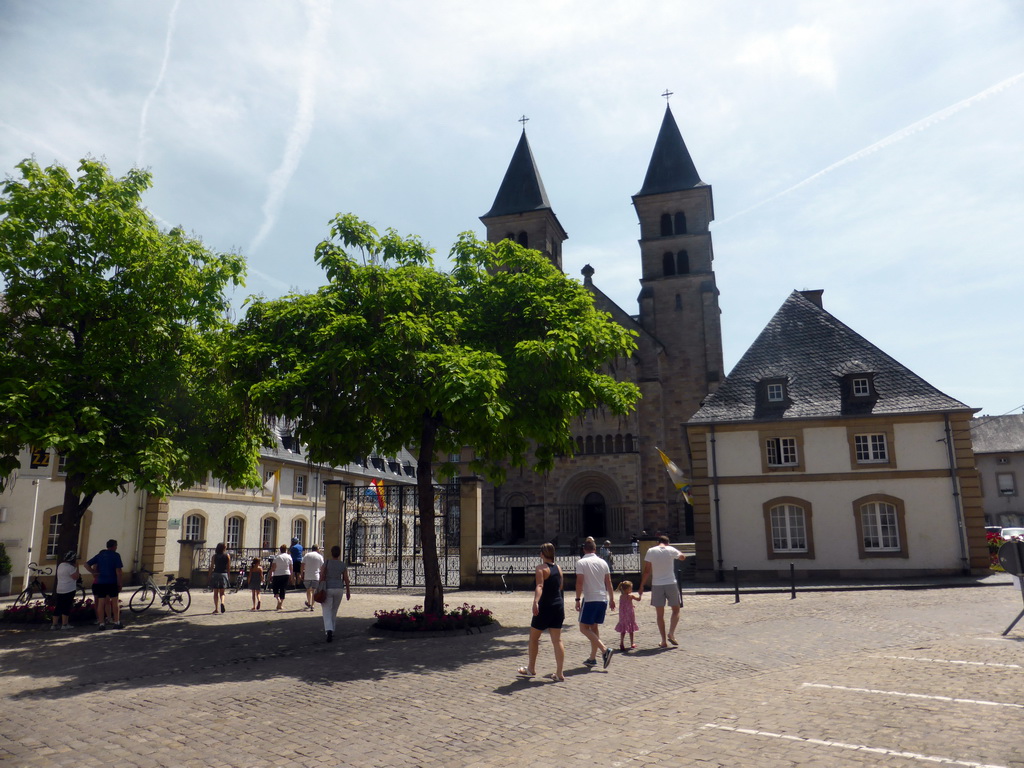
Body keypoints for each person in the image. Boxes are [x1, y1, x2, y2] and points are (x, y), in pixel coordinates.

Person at [516, 543, 566, 682]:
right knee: (557, 640)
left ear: (543, 554)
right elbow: (560, 587)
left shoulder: (541, 568)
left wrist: (535, 602)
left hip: (545, 606)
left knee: (534, 638)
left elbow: (539, 586)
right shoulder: (559, 568)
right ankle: (559, 673)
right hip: (558, 605)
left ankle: (531, 669)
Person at [638, 535, 686, 648]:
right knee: (676, 609)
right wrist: (680, 555)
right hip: (671, 582)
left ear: (658, 542)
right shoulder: (671, 549)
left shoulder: (651, 550)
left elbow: (647, 570)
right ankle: (671, 633)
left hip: (657, 584)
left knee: (660, 615)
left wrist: (642, 585)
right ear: (667, 543)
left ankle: (663, 640)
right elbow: (682, 557)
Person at [575, 538, 616, 669]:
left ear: (583, 550)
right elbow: (609, 582)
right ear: (595, 549)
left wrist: (577, 599)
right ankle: (592, 658)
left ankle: (604, 650)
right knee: (594, 628)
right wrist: (612, 599)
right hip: (602, 599)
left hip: (590, 599)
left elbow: (579, 583)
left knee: (583, 628)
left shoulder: (581, 562)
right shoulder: (603, 562)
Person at [87, 539, 123, 630]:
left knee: (101, 603)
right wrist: (120, 582)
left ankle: (101, 623)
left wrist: (93, 572)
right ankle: (116, 621)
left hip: (100, 582)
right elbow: (118, 571)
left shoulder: (100, 555)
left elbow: (86, 564)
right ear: (114, 546)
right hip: (112, 581)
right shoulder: (116, 555)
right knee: (114, 602)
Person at [318, 545, 350, 642]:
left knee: (326, 609)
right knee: (334, 610)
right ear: (339, 554)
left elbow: (321, 575)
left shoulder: (326, 563)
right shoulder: (342, 564)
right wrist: (348, 591)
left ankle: (329, 630)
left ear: (331, 553)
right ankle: (332, 628)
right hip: (339, 589)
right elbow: (346, 579)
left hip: (328, 587)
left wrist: (320, 586)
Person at [50, 550, 81, 630]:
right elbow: (76, 577)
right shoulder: (70, 568)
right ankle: (64, 624)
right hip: (69, 589)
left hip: (60, 588)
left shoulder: (60, 565)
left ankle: (54, 624)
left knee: (59, 606)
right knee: (66, 606)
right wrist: (77, 567)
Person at [614, 580, 641, 650]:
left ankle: (621, 643)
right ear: (627, 589)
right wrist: (640, 594)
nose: (631, 589)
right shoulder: (630, 596)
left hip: (622, 615)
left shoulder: (621, 596)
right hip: (629, 615)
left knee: (623, 630)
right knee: (631, 629)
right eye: (630, 588)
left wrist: (631, 605)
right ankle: (632, 643)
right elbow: (638, 599)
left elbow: (624, 604)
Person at [301, 544, 325, 611]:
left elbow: (302, 565)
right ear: (317, 549)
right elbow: (322, 567)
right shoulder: (320, 556)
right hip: (316, 575)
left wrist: (301, 573)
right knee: (314, 591)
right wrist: (322, 575)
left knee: (308, 590)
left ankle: (309, 603)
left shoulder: (307, 555)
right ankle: (313, 604)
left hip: (307, 575)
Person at [208, 542, 230, 614]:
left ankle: (216, 608)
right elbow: (228, 567)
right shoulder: (227, 556)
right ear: (223, 548)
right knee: (222, 592)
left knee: (215, 593)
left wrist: (209, 574)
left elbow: (211, 567)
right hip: (224, 574)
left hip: (216, 574)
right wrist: (228, 575)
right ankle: (222, 602)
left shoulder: (214, 556)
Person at [270, 544, 293, 610]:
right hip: (286, 573)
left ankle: (278, 599)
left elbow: (273, 567)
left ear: (280, 550)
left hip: (277, 574)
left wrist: (271, 574)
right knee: (283, 589)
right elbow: (291, 567)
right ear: (286, 550)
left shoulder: (277, 557)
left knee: (275, 588)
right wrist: (291, 575)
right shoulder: (289, 557)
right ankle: (280, 604)